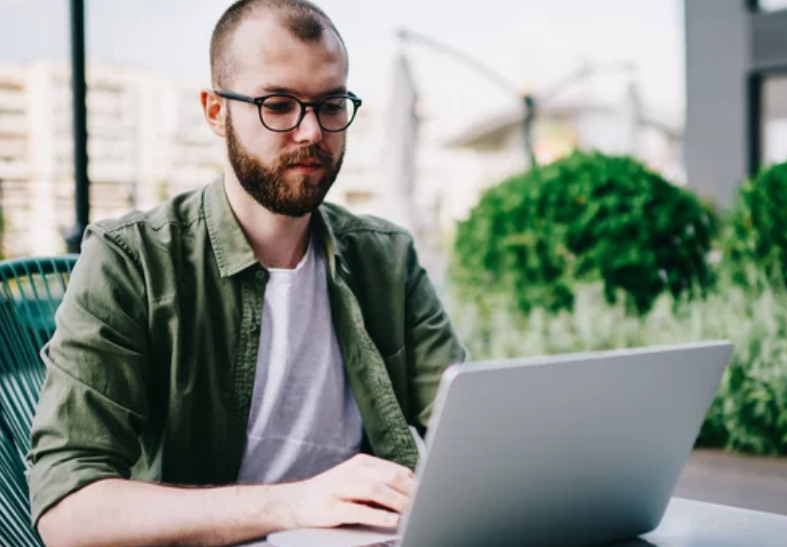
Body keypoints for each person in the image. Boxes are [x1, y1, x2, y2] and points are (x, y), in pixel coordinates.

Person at [26, 1, 465, 546]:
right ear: (214, 111)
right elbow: (69, 512)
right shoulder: (131, 261)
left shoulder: (386, 257)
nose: (310, 132)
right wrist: (294, 503)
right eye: (278, 105)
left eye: (330, 104)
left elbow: (465, 432)